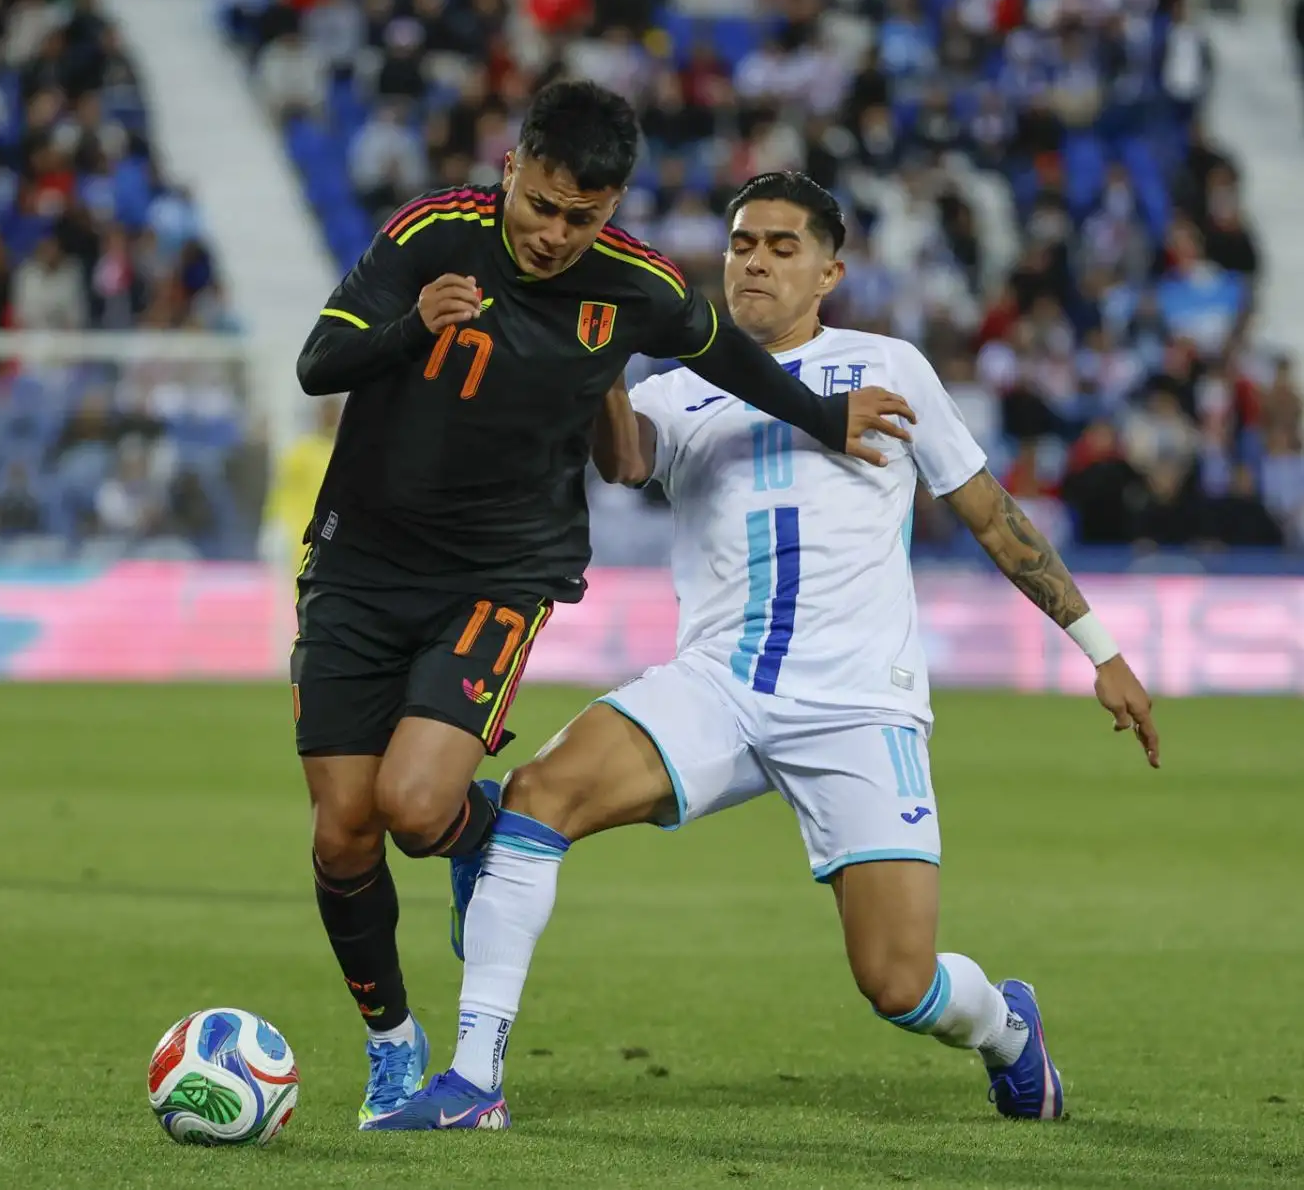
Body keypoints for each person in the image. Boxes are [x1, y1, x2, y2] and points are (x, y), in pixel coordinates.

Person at [367, 171, 1160, 1131]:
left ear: (830, 268)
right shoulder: (682, 383)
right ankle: (475, 1080)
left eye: (783, 246)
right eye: (743, 243)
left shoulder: (889, 367)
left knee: (898, 982)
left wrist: (1099, 646)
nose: (756, 261)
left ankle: (1007, 1032)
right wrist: (597, 361)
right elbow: (623, 461)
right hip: (717, 687)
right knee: (536, 799)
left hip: (860, 705)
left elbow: (990, 517)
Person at [292, 83, 917, 1128]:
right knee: (343, 835)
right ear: (513, 169)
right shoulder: (431, 235)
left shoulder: (632, 282)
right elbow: (320, 360)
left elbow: (724, 351)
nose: (552, 235)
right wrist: (411, 326)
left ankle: (468, 828)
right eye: (540, 206)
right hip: (362, 562)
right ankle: (393, 1044)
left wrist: (822, 413)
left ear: (613, 203)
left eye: (581, 216)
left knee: (410, 806)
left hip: (501, 569)